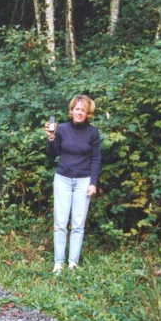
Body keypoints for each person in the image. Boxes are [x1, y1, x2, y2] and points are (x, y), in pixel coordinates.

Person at [44, 94, 101, 274]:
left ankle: (73, 264)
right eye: (76, 109)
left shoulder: (93, 132)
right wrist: (51, 138)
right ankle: (58, 263)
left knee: (78, 224)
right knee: (60, 223)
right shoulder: (61, 129)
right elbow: (52, 154)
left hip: (84, 181)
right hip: (63, 179)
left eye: (83, 110)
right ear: (71, 111)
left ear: (87, 113)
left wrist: (93, 183)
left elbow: (96, 159)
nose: (79, 112)